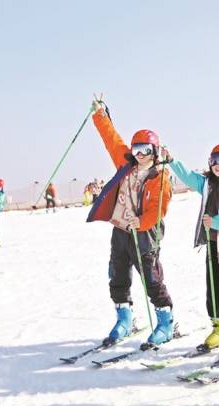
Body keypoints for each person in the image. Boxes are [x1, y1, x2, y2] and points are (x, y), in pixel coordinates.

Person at [87, 99, 175, 348]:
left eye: (145, 150)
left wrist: (142, 221)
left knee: (151, 277)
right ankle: (124, 318)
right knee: (117, 274)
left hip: (145, 233)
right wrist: (99, 115)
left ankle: (165, 322)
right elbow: (111, 139)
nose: (140, 155)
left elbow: (160, 209)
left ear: (155, 151)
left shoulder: (160, 177)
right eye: (136, 149)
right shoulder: (125, 165)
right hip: (121, 230)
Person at [164, 143, 219, 355]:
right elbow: (187, 176)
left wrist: (214, 222)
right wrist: (172, 160)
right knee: (213, 290)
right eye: (214, 160)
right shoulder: (206, 184)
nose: (217, 165)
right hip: (213, 245)